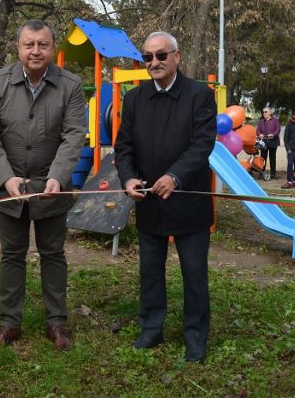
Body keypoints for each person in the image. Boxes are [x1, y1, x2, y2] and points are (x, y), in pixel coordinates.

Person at [0, 19, 86, 351]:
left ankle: (57, 323)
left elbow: (73, 136)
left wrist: (58, 176)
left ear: (53, 48)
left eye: (42, 44)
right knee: (12, 255)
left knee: (53, 254)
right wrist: (4, 177)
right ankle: (10, 324)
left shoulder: (71, 85)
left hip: (52, 185)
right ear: (19, 47)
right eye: (29, 44)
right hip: (7, 187)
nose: (36, 50)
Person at [114, 31, 216, 363]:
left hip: (189, 199)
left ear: (176, 56)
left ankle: (196, 337)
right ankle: (151, 329)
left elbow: (202, 145)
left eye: (160, 56)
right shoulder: (134, 99)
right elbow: (124, 147)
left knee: (194, 272)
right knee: (150, 270)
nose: (154, 63)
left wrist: (175, 176)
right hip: (149, 202)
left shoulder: (200, 95)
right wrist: (128, 178)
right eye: (147, 57)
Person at [256, 107, 281, 179]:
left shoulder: (275, 120)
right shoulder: (261, 121)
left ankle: (273, 174)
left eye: (265, 112)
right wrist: (259, 134)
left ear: (270, 113)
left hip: (273, 141)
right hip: (264, 142)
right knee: (263, 158)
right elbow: (258, 130)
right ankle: (262, 173)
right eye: (263, 112)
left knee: (272, 158)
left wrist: (273, 134)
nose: (264, 113)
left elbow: (278, 129)